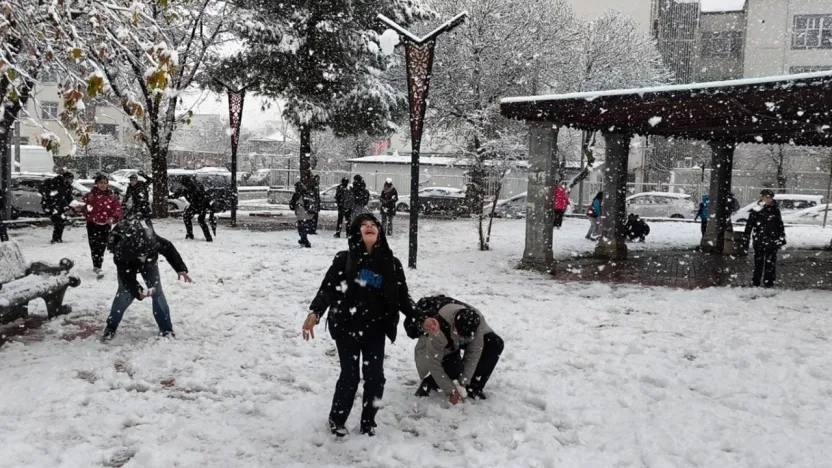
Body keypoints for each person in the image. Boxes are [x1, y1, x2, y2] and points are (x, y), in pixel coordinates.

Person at [302, 213, 415, 438]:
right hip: (346, 326)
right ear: (356, 233)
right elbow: (328, 288)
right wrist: (315, 312)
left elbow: (402, 297)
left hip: (375, 328)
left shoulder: (391, 264)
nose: (370, 227)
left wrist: (420, 317)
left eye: (374, 225)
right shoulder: (344, 259)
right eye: (364, 225)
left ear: (380, 233)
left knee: (375, 376)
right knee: (350, 375)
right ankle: (337, 419)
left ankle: (368, 422)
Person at [101, 219, 193, 341]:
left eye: (146, 252)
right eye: (141, 254)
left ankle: (166, 328)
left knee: (158, 292)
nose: (143, 256)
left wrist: (180, 269)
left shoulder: (153, 239)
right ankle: (111, 326)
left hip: (150, 265)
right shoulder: (121, 251)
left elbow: (169, 248)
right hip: (128, 265)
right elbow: (127, 278)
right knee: (124, 293)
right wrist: (137, 291)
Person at [412, 296, 504, 403]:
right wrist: (451, 391)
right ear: (455, 325)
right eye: (461, 335)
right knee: (454, 366)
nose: (462, 339)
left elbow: (474, 352)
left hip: (453, 338)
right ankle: (429, 382)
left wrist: (464, 383)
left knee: (495, 344)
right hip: (429, 351)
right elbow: (433, 362)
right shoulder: (439, 328)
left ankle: (473, 387)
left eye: (466, 337)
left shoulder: (477, 322)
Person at [82, 175, 123, 276]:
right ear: (97, 183)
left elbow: (117, 209)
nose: (103, 185)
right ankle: (96, 266)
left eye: (105, 182)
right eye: (101, 182)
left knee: (102, 246)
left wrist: (113, 217)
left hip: (105, 225)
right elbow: (82, 206)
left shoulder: (112, 196)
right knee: (94, 245)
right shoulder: (90, 195)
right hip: (92, 224)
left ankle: (98, 265)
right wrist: (81, 209)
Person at [743, 189, 786, 288]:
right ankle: (756, 281)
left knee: (770, 262)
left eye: (770, 197)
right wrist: (746, 238)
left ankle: (769, 281)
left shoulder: (775, 210)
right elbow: (749, 225)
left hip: (772, 239)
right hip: (760, 239)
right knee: (759, 262)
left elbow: (780, 224)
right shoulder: (756, 210)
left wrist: (781, 238)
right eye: (766, 197)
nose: (768, 199)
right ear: (761, 197)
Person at [39, 172, 75, 243]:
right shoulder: (55, 182)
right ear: (66, 178)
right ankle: (55, 239)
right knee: (58, 221)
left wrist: (70, 205)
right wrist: (49, 195)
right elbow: (43, 189)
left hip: (61, 206)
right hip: (52, 206)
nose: (72, 181)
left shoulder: (68, 187)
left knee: (61, 221)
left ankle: (58, 238)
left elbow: (68, 198)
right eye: (71, 179)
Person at [173, 176, 212, 242]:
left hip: (201, 205)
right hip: (195, 205)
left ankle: (208, 237)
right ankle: (190, 234)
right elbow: (177, 194)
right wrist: (169, 197)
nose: (181, 187)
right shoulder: (186, 189)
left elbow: (201, 197)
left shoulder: (194, 188)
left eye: (182, 185)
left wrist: (201, 207)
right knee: (187, 217)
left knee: (200, 220)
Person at [289, 181, 316, 248]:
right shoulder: (308, 193)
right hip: (309, 213)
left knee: (301, 228)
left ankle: (305, 241)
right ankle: (303, 240)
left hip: (301, 213)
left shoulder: (297, 194)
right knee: (305, 228)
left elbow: (292, 205)